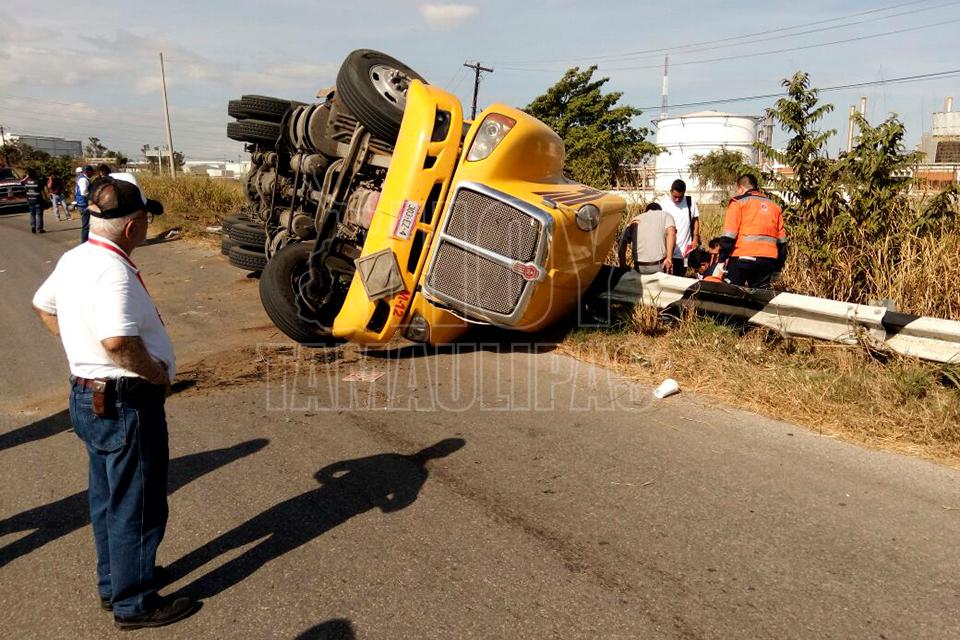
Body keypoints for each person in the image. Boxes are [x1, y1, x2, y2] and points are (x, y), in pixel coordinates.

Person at [31, 173, 196, 630]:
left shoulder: (76, 258)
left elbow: (43, 305)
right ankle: (134, 602)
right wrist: (157, 375)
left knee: (108, 499)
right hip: (125, 401)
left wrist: (78, 347)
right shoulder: (112, 272)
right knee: (137, 505)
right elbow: (119, 341)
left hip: (90, 396)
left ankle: (117, 582)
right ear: (132, 226)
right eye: (146, 219)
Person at [720, 174, 788, 288]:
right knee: (760, 296)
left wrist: (721, 260)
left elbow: (729, 235)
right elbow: (782, 243)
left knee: (730, 293)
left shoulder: (738, 202)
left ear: (740, 189)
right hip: (768, 261)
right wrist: (777, 268)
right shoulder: (774, 207)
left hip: (743, 257)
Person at [617, 202, 676, 275]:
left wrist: (623, 263)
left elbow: (622, 240)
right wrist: (669, 258)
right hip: (658, 265)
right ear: (660, 210)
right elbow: (671, 232)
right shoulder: (665, 215)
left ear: (646, 211)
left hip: (638, 266)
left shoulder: (636, 218)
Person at [657, 179, 700, 276]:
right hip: (667, 252)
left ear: (684, 193)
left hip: (684, 252)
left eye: (680, 197)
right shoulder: (663, 204)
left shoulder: (690, 202)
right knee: (666, 277)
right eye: (675, 196)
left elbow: (695, 220)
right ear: (670, 192)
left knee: (680, 275)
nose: (677, 199)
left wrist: (695, 238)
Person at [21, 168, 45, 234]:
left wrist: (27, 177)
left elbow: (21, 182)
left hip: (30, 201)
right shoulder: (38, 182)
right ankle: (39, 229)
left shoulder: (26, 182)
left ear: (28, 175)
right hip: (38, 201)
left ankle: (33, 226)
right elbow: (42, 189)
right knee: (39, 215)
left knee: (32, 214)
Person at [75, 165, 95, 243]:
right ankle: (84, 242)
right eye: (91, 172)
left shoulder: (83, 178)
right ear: (87, 172)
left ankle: (86, 241)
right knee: (86, 226)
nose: (92, 173)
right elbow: (84, 192)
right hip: (84, 205)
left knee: (87, 224)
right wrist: (93, 196)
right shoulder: (83, 180)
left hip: (83, 204)